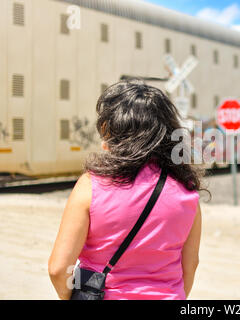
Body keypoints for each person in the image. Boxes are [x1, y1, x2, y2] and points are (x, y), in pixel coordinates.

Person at [48, 80, 205, 300]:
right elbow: (191, 265)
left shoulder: (91, 185)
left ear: (112, 130)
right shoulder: (187, 193)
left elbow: (58, 269)